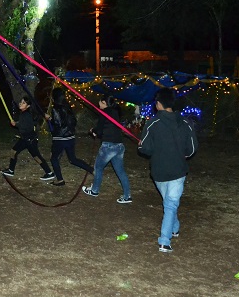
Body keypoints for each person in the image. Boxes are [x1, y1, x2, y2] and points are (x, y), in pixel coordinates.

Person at [138, 88, 198, 253]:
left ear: (158, 104)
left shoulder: (152, 123)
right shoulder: (186, 123)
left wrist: (142, 146)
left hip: (159, 171)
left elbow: (145, 148)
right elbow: (192, 149)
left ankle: (165, 240)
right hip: (176, 171)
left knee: (170, 203)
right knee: (170, 203)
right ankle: (174, 227)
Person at [82, 94, 132, 203]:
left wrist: (93, 131)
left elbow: (99, 130)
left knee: (98, 167)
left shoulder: (104, 112)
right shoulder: (115, 112)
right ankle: (127, 196)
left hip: (109, 146)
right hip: (119, 146)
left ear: (104, 103)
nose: (98, 104)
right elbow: (109, 127)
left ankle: (94, 191)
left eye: (100, 102)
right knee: (120, 171)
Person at [45, 87, 94, 186]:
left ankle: (60, 180)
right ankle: (92, 170)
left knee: (54, 158)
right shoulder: (68, 107)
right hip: (70, 137)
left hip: (60, 138)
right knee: (73, 159)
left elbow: (58, 123)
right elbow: (73, 122)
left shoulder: (56, 108)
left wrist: (49, 118)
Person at [1, 96, 55, 181]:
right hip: (25, 139)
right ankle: (11, 170)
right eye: (20, 102)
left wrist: (16, 124)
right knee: (14, 151)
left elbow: (28, 126)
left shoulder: (26, 114)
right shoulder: (25, 113)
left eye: (23, 103)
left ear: (28, 106)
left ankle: (49, 173)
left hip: (29, 140)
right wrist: (17, 123)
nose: (20, 104)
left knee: (36, 156)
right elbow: (27, 123)